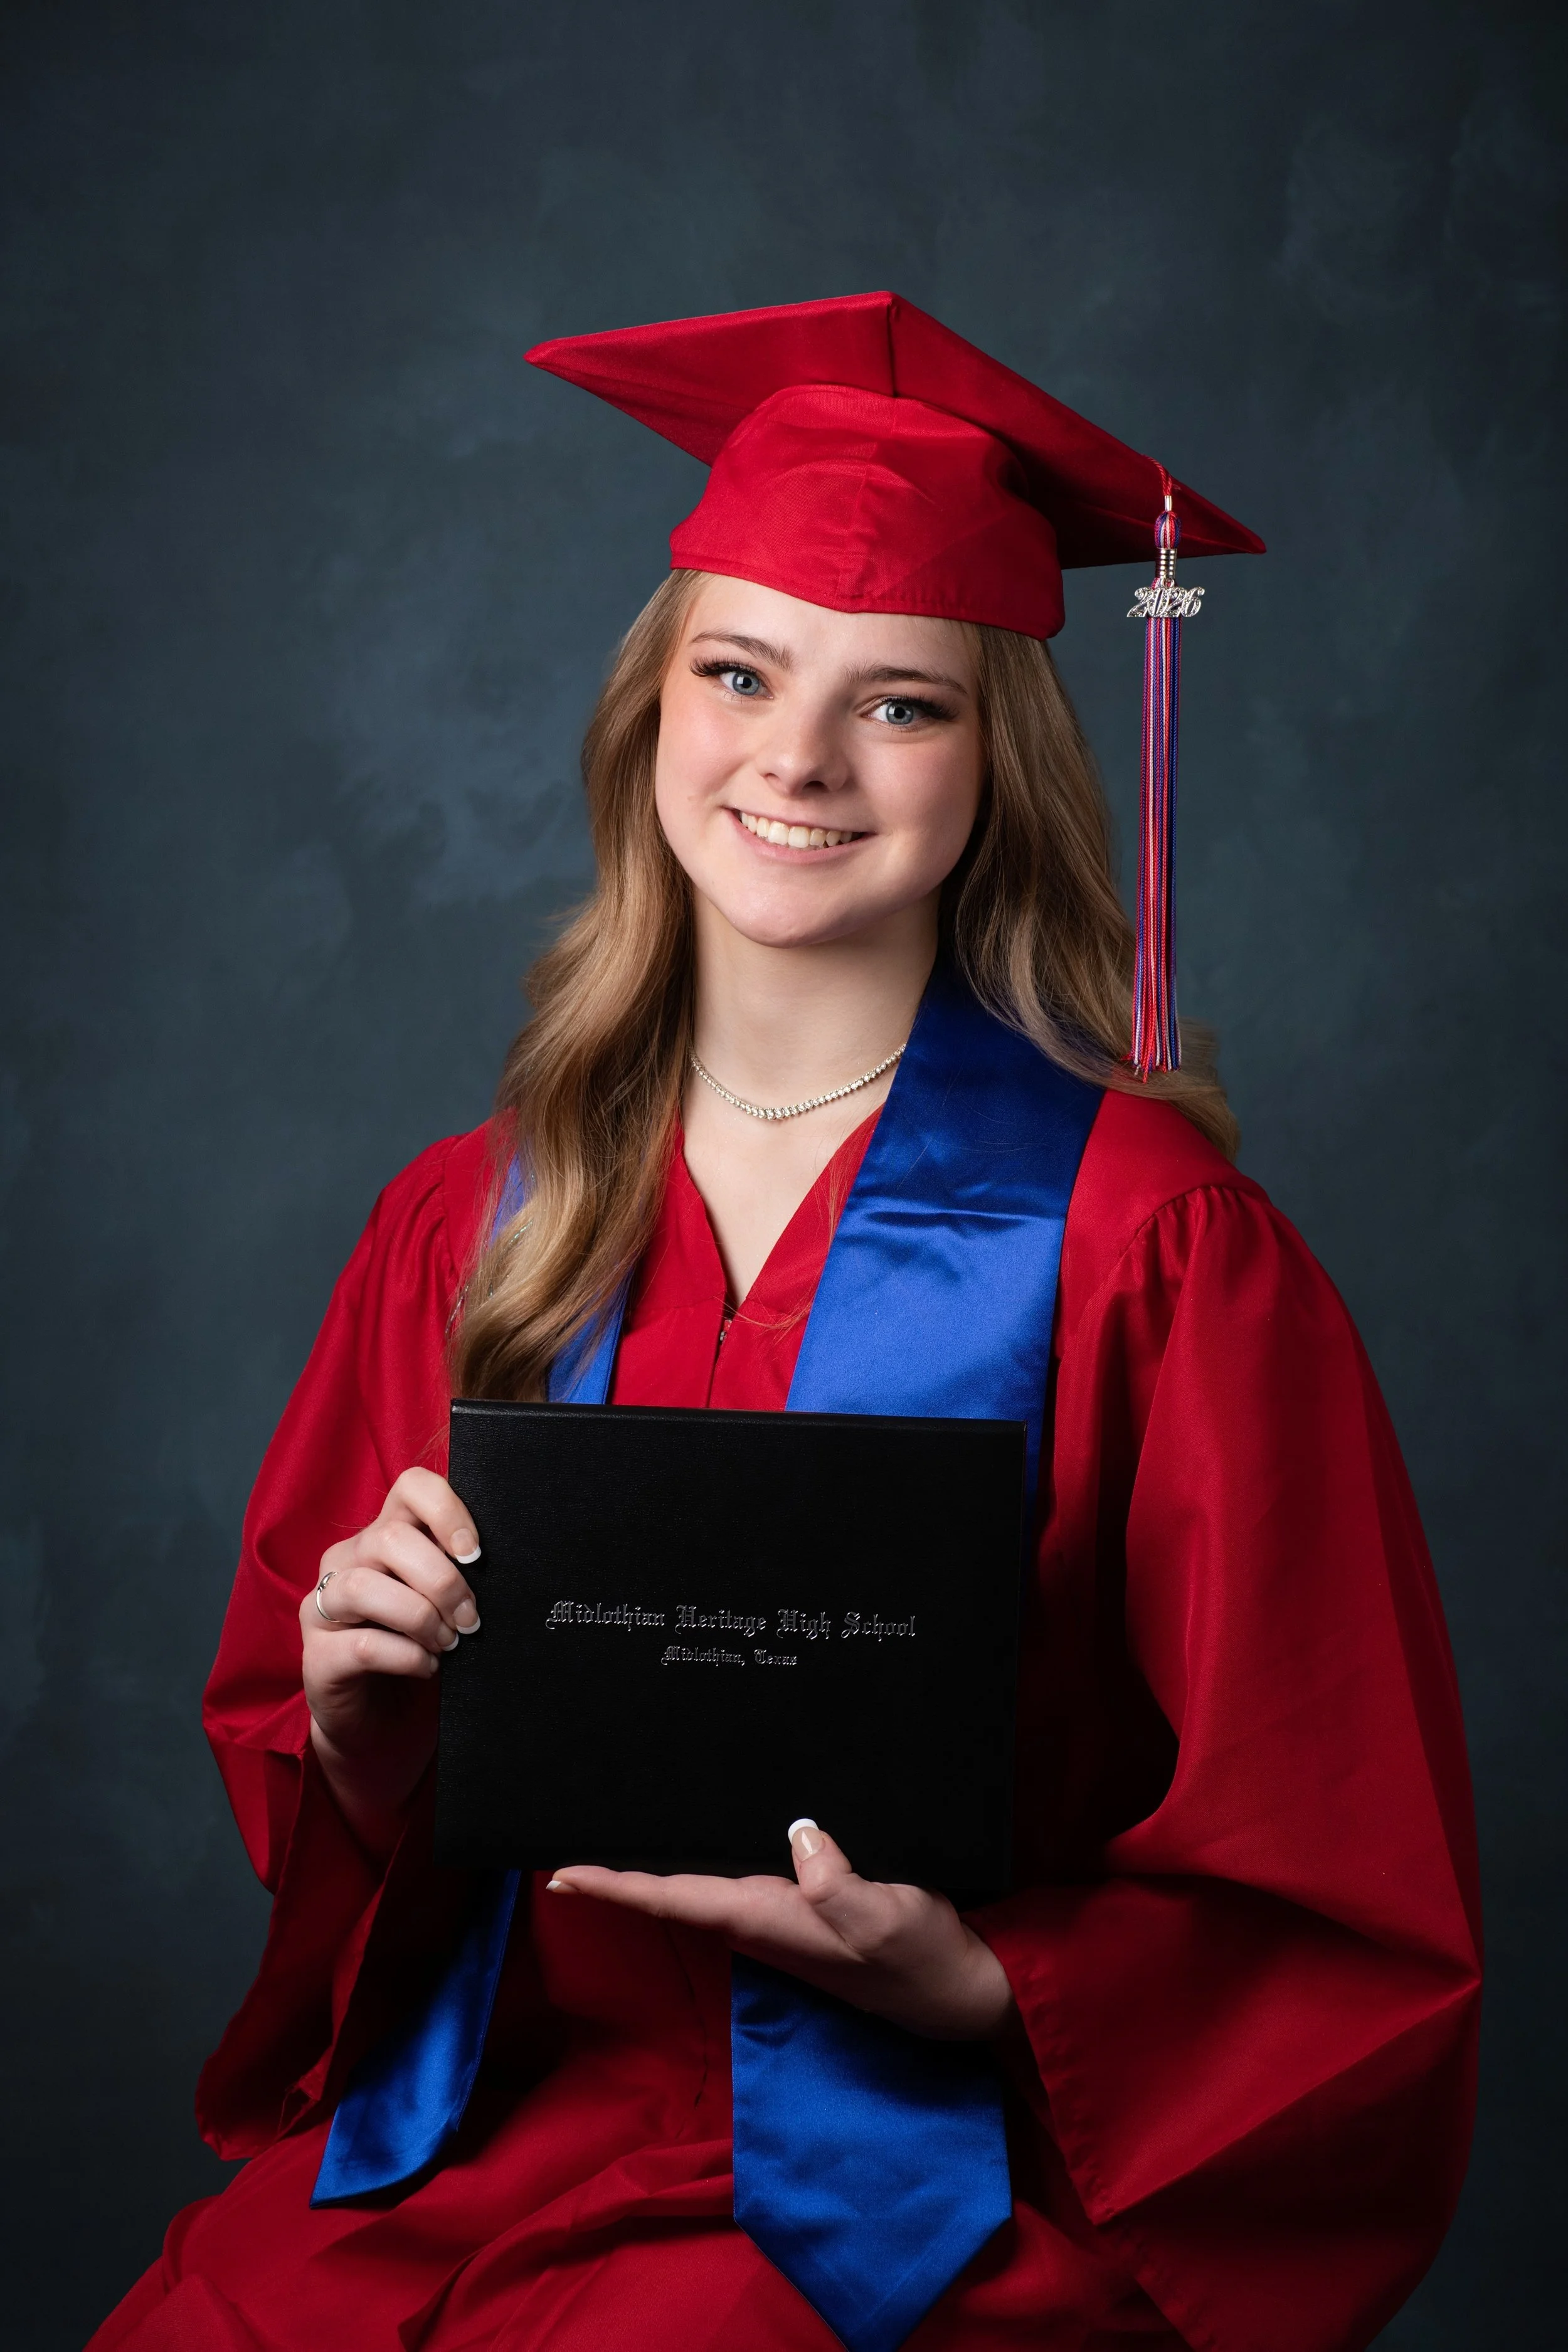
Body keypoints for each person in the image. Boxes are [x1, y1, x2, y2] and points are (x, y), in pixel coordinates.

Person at [91, 294, 1480, 2352]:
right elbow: (329, 1785)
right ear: (652, 709)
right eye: (737, 672)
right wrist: (370, 1738)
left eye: (899, 703)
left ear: (996, 766)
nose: (798, 757)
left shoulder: (1153, 1245)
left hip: (912, 2177)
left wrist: (980, 1981)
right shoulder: (474, 1217)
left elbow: (1331, 1863)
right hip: (490, 2120)